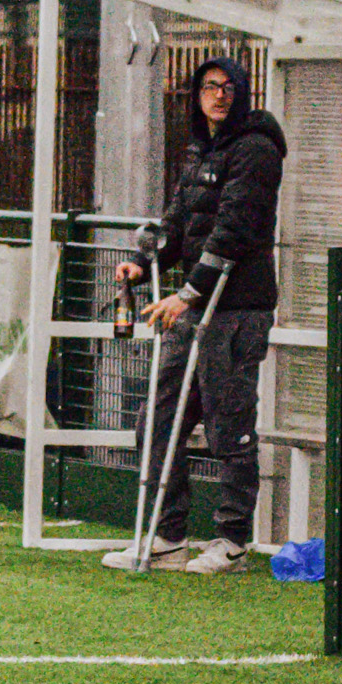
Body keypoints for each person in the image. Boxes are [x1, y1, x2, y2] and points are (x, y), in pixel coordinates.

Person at [101, 54, 286, 575]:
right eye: (209, 86)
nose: (219, 95)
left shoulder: (255, 148)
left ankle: (232, 541)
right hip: (194, 304)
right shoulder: (200, 148)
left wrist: (186, 293)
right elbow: (178, 221)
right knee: (158, 419)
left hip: (236, 308)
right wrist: (144, 264)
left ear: (242, 92)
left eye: (228, 87)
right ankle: (167, 536)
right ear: (196, 95)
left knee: (229, 425)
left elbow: (234, 229)